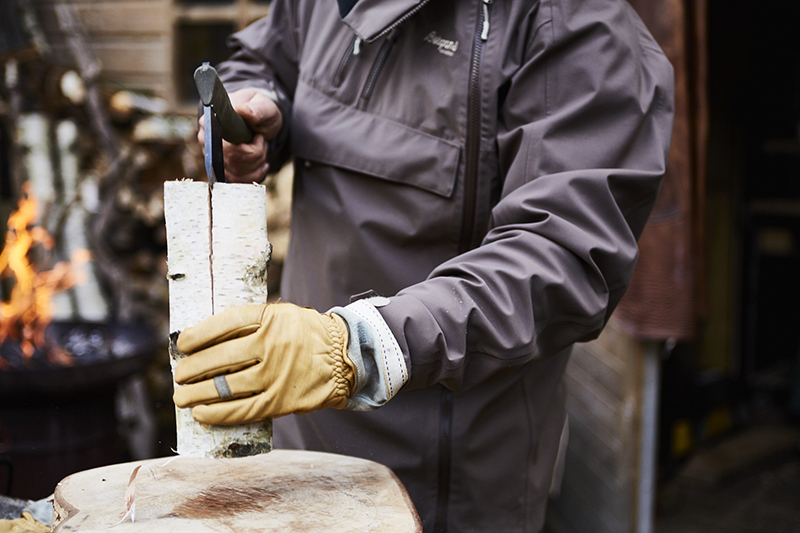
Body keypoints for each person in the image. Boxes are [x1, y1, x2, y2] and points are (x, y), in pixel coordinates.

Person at [172, 0, 674, 530]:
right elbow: (267, 55)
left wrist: (357, 346)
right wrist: (257, 113)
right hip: (301, 439)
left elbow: (561, 254)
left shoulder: (575, 22)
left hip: (446, 486)